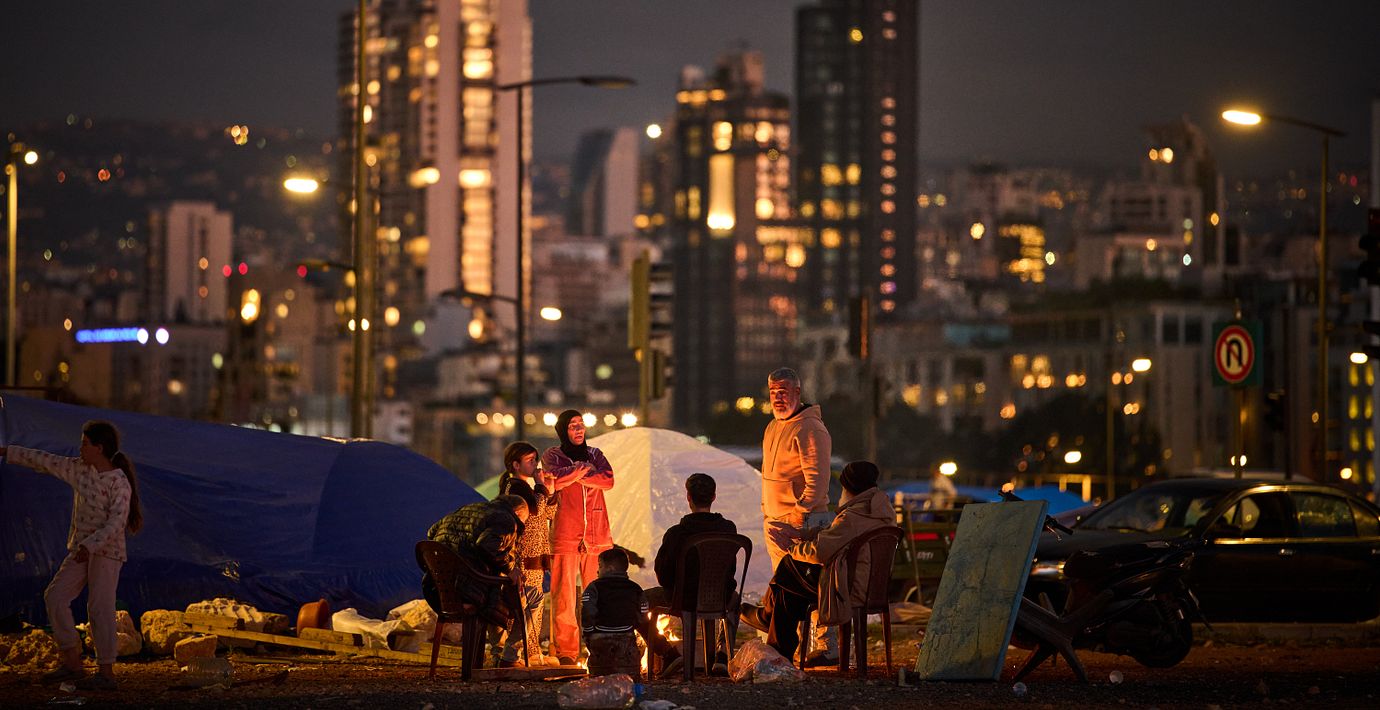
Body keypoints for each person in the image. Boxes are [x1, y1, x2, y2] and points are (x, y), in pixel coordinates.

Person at [1, 421, 144, 691]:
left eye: (85, 444)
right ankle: (72, 662)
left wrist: (89, 546)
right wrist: (7, 452)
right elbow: (46, 460)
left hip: (106, 552)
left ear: (99, 448)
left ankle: (106, 671)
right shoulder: (81, 470)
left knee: (100, 608)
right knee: (55, 596)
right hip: (81, 550)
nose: (80, 448)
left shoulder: (118, 482)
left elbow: (116, 523)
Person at [739, 461, 896, 663]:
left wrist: (792, 547)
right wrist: (802, 534)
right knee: (790, 592)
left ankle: (770, 623)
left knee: (789, 564)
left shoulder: (853, 516)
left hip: (846, 588)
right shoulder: (881, 511)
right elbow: (836, 535)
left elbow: (821, 551)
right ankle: (777, 646)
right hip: (871, 586)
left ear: (848, 487)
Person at [759, 367, 836, 665]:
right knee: (787, 590)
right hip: (776, 522)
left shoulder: (811, 429)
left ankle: (826, 646)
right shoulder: (772, 427)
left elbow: (818, 482)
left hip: (805, 524)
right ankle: (799, 646)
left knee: (815, 586)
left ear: (797, 393)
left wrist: (797, 516)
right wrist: (769, 514)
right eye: (773, 392)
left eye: (783, 392)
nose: (778, 398)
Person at [645, 473, 737, 676]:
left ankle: (668, 653)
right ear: (714, 497)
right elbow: (731, 570)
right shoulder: (729, 529)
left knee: (638, 600)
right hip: (719, 597)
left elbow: (663, 575)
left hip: (683, 599)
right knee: (735, 598)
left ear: (688, 498)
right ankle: (722, 654)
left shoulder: (676, 533)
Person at [543, 410, 615, 665]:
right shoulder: (553, 455)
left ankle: (599, 646)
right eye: (573, 425)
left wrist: (575, 472)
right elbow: (554, 481)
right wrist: (581, 471)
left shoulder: (596, 454)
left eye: (581, 425)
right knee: (563, 594)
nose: (579, 429)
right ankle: (566, 651)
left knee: (597, 594)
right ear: (563, 429)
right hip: (565, 533)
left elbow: (608, 480)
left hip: (596, 535)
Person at [495, 441, 560, 668]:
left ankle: (527, 650)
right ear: (515, 464)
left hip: (535, 553)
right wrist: (541, 487)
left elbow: (546, 514)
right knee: (528, 602)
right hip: (525, 555)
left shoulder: (524, 487)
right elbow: (535, 516)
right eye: (530, 460)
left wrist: (549, 491)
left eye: (535, 459)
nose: (535, 464)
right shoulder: (516, 488)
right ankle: (518, 652)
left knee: (531, 602)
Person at [425, 494, 529, 629]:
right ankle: (511, 647)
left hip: (435, 588)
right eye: (524, 520)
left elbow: (431, 533)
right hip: (468, 591)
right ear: (518, 512)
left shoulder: (467, 508)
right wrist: (510, 569)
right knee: (527, 598)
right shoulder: (506, 519)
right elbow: (486, 545)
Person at [580, 548, 650, 680]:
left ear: (610, 568)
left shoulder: (593, 587)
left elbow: (588, 612)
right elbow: (644, 610)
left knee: (600, 676)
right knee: (629, 675)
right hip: (627, 638)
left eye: (600, 566)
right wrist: (635, 625)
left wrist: (588, 634)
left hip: (600, 638)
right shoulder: (635, 588)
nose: (597, 570)